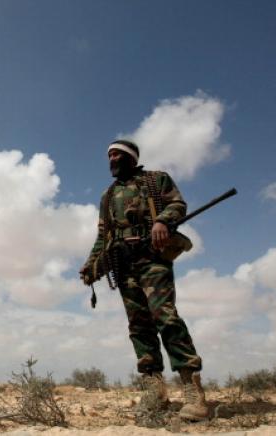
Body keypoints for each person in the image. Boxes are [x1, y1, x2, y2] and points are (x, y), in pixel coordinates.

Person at [80, 139, 208, 421]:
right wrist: (91, 265)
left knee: (165, 316)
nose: (111, 159)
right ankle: (155, 390)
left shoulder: (155, 179)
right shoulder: (108, 194)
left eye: (117, 154)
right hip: (123, 263)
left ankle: (192, 389)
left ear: (130, 157)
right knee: (139, 325)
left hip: (152, 258)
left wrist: (162, 220)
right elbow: (103, 236)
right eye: (109, 155)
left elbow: (177, 203)